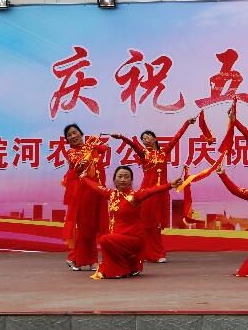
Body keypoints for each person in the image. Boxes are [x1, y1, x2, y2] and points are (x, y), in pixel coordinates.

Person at [111, 113, 198, 263]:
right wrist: (122, 137)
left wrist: (187, 123)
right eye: (143, 139)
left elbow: (176, 138)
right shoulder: (144, 154)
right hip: (147, 193)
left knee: (156, 225)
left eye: (148, 137)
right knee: (146, 224)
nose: (146, 140)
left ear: (155, 139)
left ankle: (157, 253)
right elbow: (133, 145)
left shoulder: (164, 152)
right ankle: (144, 252)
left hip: (162, 192)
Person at [80, 166, 183, 279]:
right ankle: (126, 268)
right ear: (114, 179)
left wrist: (170, 185)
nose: (123, 179)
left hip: (134, 239)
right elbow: (96, 187)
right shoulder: (112, 194)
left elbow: (152, 191)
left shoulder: (135, 195)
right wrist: (83, 178)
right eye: (120, 176)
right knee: (108, 240)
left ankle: (119, 271)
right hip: (118, 239)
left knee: (105, 239)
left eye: (126, 177)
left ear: (131, 180)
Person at [61, 124, 109, 271]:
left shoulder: (90, 146)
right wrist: (80, 164)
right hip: (83, 194)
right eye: (69, 135)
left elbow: (104, 149)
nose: (72, 136)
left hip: (97, 191)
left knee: (93, 226)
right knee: (85, 227)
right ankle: (89, 260)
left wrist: (95, 145)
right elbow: (76, 166)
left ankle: (75, 258)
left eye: (74, 132)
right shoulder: (71, 153)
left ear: (81, 133)